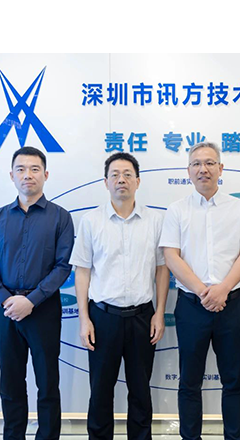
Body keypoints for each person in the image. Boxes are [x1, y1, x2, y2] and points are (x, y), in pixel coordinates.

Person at [159, 142, 240, 440]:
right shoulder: (176, 210)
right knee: (189, 381)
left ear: (220, 168)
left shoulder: (238, 208)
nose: (203, 169)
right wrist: (204, 291)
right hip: (191, 306)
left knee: (233, 380)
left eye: (209, 163)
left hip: (231, 305)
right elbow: (171, 256)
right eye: (196, 164)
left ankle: (234, 437)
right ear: (188, 171)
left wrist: (222, 290)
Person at [0, 146, 74, 440]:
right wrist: (6, 299)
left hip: (43, 310)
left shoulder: (60, 217)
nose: (27, 175)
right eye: (21, 169)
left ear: (46, 174)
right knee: (11, 383)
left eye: (34, 169)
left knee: (47, 383)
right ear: (12, 175)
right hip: (5, 311)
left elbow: (63, 266)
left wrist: (31, 301)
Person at [69, 152, 169, 440]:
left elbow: (162, 269)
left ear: (138, 181)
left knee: (140, 391)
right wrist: (84, 319)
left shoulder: (155, 221)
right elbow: (82, 272)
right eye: (114, 175)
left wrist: (159, 313)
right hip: (103, 318)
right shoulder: (91, 221)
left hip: (142, 317)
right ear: (106, 182)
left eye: (127, 174)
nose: (121, 179)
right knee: (100, 391)